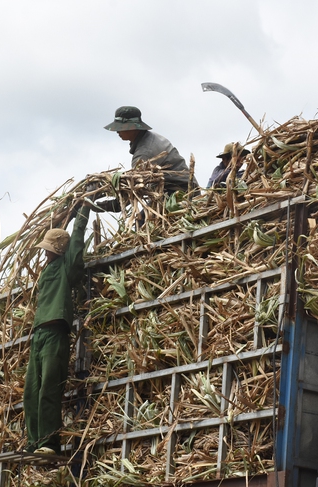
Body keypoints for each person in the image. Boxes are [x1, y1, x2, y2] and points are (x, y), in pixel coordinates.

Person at [23, 203, 91, 455]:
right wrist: (68, 212)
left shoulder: (67, 266)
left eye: (49, 250)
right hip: (38, 335)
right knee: (30, 393)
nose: (45, 254)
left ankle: (49, 443)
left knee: (49, 389)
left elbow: (76, 242)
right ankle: (33, 442)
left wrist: (82, 212)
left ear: (59, 251)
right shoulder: (46, 271)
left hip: (55, 335)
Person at [104, 106, 198, 195]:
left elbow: (133, 186)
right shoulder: (148, 138)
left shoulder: (145, 151)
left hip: (181, 192)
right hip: (166, 190)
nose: (117, 131)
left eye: (120, 128)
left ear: (133, 128)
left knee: (142, 213)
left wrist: (114, 205)